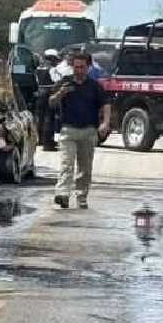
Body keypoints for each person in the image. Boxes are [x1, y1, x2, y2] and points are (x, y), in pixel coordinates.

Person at [50, 51, 112, 210]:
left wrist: (105, 123)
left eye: (82, 67)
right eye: (76, 67)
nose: (78, 70)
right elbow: (51, 103)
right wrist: (61, 93)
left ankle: (81, 197)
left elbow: (106, 104)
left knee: (85, 168)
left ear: (88, 67)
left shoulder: (94, 86)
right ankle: (63, 194)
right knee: (66, 164)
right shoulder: (65, 82)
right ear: (72, 66)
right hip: (68, 130)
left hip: (88, 131)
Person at [36, 49, 62, 151]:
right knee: (49, 119)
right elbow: (57, 81)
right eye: (55, 59)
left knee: (40, 118)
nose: (56, 61)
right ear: (51, 59)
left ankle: (40, 140)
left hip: (39, 94)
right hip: (48, 95)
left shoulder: (38, 68)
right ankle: (48, 143)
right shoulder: (52, 69)